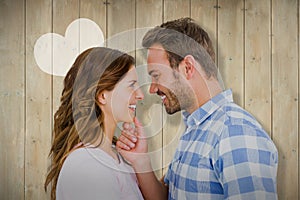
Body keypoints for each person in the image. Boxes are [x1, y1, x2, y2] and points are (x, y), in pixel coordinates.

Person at [116, 17, 278, 199]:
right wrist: (141, 161)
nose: (152, 89)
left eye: (156, 75)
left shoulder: (236, 133)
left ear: (187, 67)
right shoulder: (197, 129)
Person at [44, 47, 144, 200]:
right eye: (131, 85)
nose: (141, 95)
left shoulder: (114, 156)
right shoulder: (87, 165)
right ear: (102, 96)